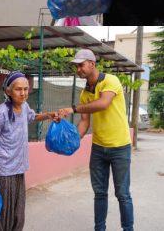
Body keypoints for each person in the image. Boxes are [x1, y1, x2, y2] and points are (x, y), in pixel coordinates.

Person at [57, 49, 133, 231]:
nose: (78, 69)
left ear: (92, 63)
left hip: (120, 147)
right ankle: (99, 228)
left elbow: (103, 103)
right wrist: (72, 140)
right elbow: (84, 122)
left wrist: (73, 109)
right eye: (76, 66)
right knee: (99, 194)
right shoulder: (85, 93)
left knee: (122, 194)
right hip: (98, 149)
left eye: (81, 65)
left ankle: (128, 229)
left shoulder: (110, 81)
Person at [0, 71, 58, 230]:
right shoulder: (1, 112)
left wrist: (49, 115)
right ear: (8, 91)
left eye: (26, 89)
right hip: (4, 170)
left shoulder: (24, 107)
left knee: (18, 211)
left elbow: (33, 117)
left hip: (19, 168)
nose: (23, 93)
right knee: (2, 211)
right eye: (19, 89)